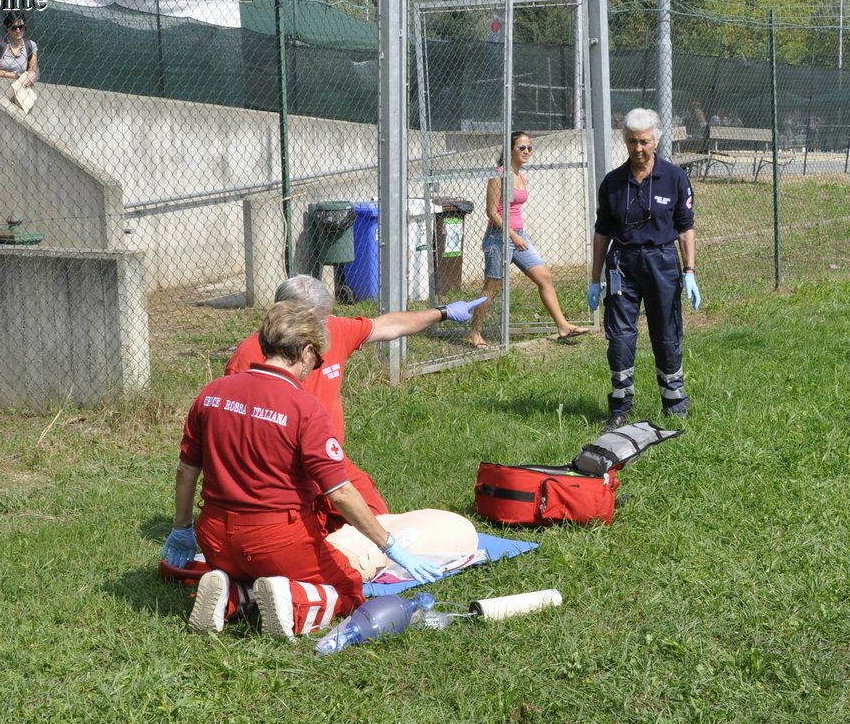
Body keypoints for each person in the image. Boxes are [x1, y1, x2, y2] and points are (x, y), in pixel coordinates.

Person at [163, 301, 444, 639]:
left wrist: (182, 528)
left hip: (215, 539)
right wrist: (390, 546)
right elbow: (339, 492)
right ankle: (291, 599)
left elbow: (186, 470)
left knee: (250, 568)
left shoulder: (211, 394)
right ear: (307, 351)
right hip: (275, 540)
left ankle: (234, 592)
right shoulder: (304, 408)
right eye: (318, 358)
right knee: (348, 588)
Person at [225, 275, 484, 514]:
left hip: (327, 458)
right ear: (287, 318)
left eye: (327, 318)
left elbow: (389, 325)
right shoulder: (249, 356)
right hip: (277, 470)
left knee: (374, 515)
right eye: (318, 320)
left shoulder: (335, 330)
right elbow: (231, 430)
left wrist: (443, 312)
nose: (326, 327)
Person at [589, 107, 700, 429]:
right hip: (622, 263)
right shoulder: (612, 183)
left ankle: (674, 401)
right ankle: (620, 406)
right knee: (620, 337)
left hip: (662, 262)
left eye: (645, 142)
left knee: (666, 333)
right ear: (625, 141)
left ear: (656, 141)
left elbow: (685, 227)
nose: (638, 148)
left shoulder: (675, 178)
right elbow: (602, 233)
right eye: (632, 142)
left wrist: (689, 271)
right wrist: (595, 279)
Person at [465, 131, 591, 348]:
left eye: (529, 148)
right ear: (510, 150)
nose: (526, 151)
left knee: (545, 277)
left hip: (519, 236)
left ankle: (562, 326)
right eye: (521, 147)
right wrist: (512, 235)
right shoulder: (499, 175)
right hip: (499, 238)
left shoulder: (520, 175)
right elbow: (492, 212)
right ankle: (473, 333)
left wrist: (518, 235)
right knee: (492, 288)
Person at [0, 10, 38, 86]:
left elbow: (33, 71)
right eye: (13, 27)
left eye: (21, 27)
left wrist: (32, 74)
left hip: (20, 88)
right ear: (7, 27)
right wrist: (17, 75)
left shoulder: (31, 45)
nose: (18, 30)